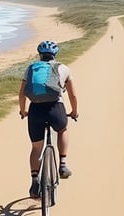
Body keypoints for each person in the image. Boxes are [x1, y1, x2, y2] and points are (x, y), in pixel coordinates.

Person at [19, 40, 79, 198]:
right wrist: (74, 112)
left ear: (40, 55)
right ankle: (63, 164)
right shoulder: (63, 68)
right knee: (62, 129)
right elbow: (73, 95)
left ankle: (34, 182)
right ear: (55, 54)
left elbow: (22, 93)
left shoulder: (31, 68)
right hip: (55, 109)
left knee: (36, 148)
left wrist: (23, 111)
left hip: (35, 111)